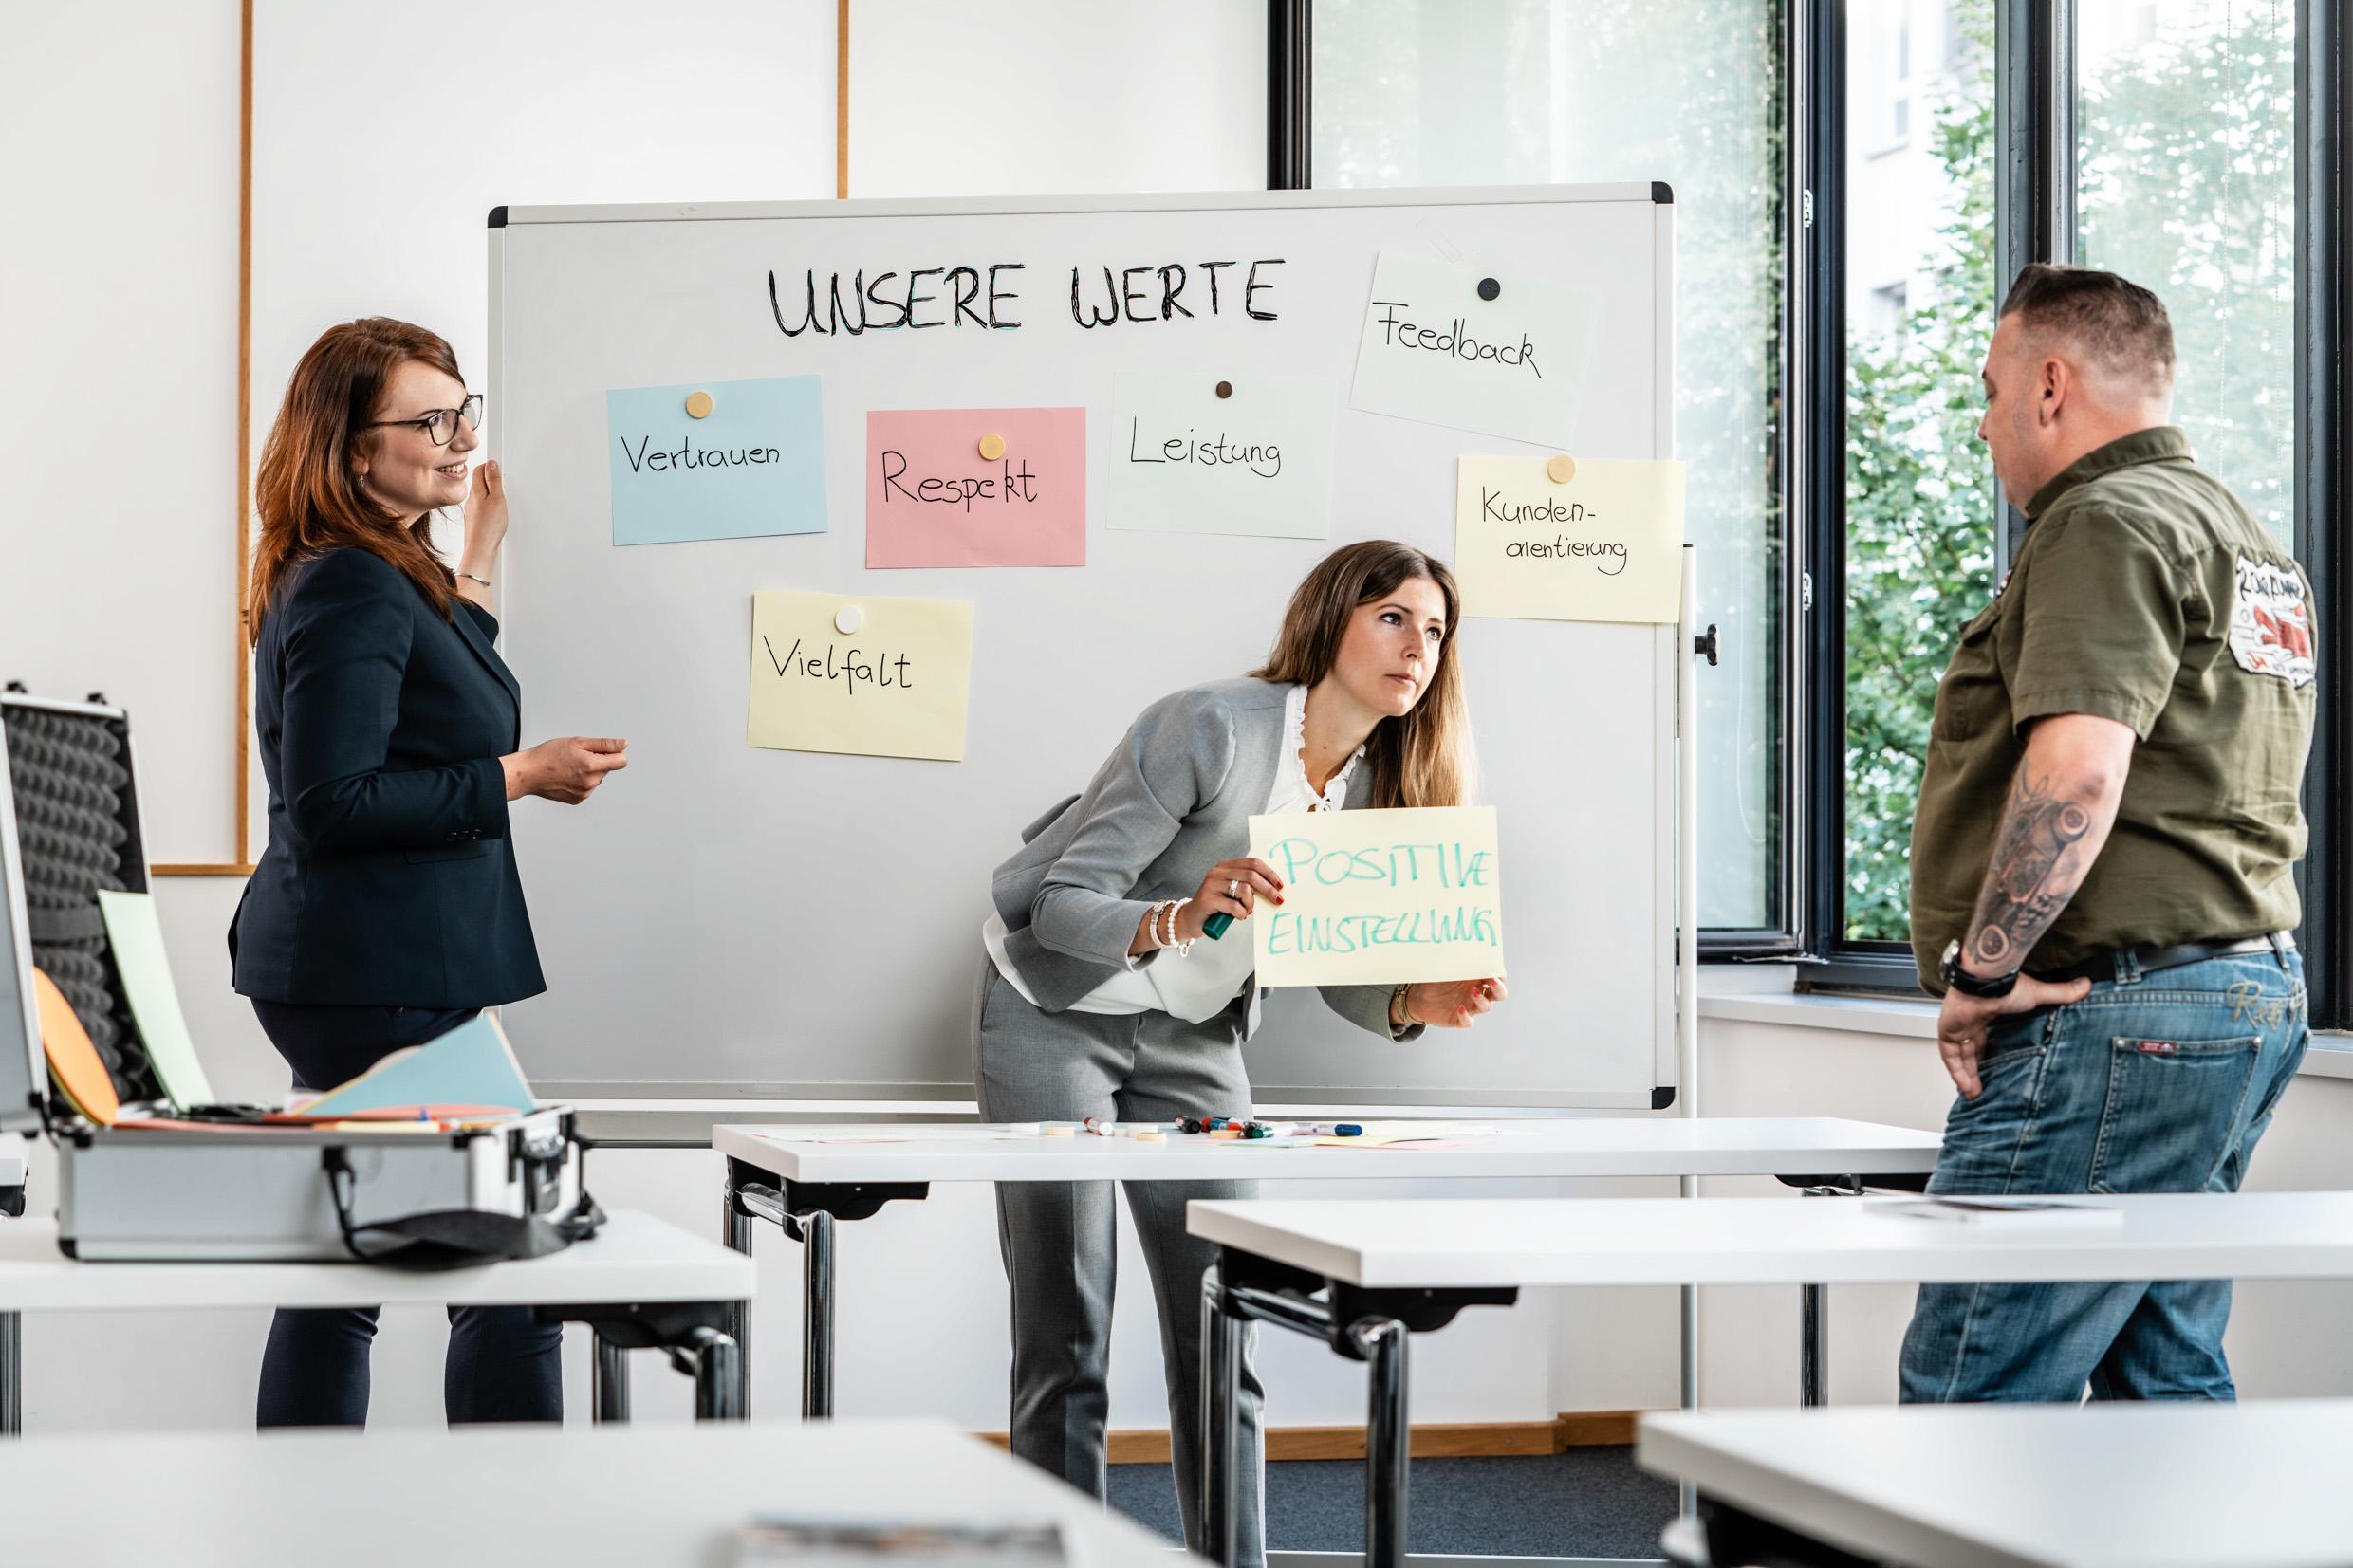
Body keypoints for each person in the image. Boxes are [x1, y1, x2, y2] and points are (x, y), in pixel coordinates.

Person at [977, 540, 1508, 1564]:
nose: (1418, 646)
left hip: (1193, 1036)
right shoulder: (1208, 726)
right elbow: (1060, 906)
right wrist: (1182, 914)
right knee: (1065, 1325)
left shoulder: (1389, 785)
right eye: (1393, 617)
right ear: (1330, 619)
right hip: (1055, 1011)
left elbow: (1329, 958)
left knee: (1223, 1315)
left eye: (1436, 630)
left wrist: (1414, 998)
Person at [1901, 264, 2316, 1403]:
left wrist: (1983, 970)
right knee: (2162, 1382)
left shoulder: (2100, 520)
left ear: (2049, 386)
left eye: (1988, 391)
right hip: (2240, 998)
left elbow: (2078, 772)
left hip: (2117, 1016)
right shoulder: (2245, 540)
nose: (1981, 425)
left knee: (1970, 1399)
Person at [231, 317, 630, 1427]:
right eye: (429, 421)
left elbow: (437, 674)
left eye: (464, 413)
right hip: (380, 973)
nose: (461, 439)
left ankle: (300, 1496)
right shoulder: (353, 584)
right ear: (353, 448)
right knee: (504, 1270)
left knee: (346, 1270)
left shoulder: (373, 571)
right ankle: (506, 1503)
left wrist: (479, 554)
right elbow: (333, 800)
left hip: (369, 964)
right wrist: (520, 775)